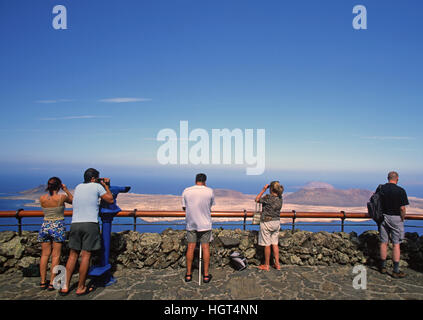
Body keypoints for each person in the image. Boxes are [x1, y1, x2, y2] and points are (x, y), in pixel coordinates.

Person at [59, 168, 114, 296]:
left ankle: (65, 286)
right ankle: (81, 287)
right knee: (86, 255)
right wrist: (106, 186)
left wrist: (66, 190)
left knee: (73, 255)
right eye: (98, 178)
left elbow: (73, 200)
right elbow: (110, 199)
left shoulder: (78, 187)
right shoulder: (97, 186)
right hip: (90, 224)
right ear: (94, 179)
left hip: (75, 224)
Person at [38, 177, 73, 291]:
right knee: (56, 255)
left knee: (44, 255)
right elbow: (73, 200)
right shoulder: (61, 197)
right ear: (59, 186)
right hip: (57, 226)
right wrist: (66, 189)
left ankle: (43, 281)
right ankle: (52, 282)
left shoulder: (42, 198)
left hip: (45, 226)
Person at [182, 173, 215, 283]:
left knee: (190, 247)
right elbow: (210, 206)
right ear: (205, 181)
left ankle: (188, 275)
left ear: (195, 180)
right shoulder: (209, 191)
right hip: (205, 224)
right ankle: (205, 275)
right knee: (205, 248)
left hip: (191, 224)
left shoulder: (186, 191)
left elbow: (184, 207)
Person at [378, 171, 409, 278]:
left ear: (388, 178)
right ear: (397, 179)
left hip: (383, 218)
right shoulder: (400, 191)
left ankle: (383, 267)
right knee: (396, 244)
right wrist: (402, 218)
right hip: (396, 218)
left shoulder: (381, 189)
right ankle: (395, 270)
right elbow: (402, 208)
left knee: (383, 242)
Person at [255, 181, 284, 271]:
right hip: (276, 222)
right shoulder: (280, 198)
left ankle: (266, 265)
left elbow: (257, 199)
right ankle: (277, 264)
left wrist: (263, 190)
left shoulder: (268, 197)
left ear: (270, 189)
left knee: (267, 244)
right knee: (275, 244)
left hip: (267, 222)